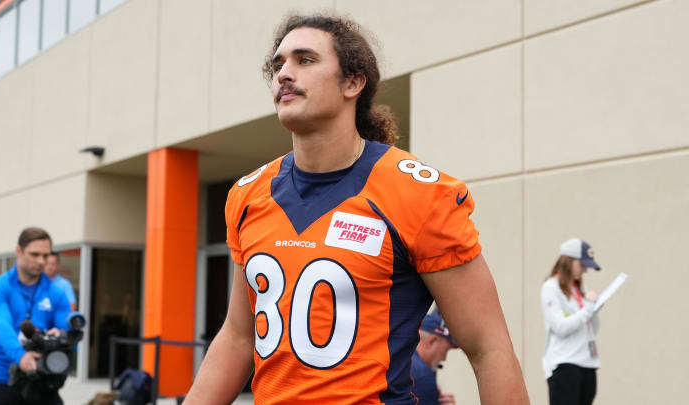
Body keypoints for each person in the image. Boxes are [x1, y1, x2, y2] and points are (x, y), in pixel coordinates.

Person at [184, 13, 528, 405]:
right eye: (278, 65)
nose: (284, 74)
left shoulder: (417, 193)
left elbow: (488, 347)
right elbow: (238, 336)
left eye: (305, 60)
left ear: (353, 82)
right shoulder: (248, 194)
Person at [0, 227, 71, 405]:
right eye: (34, 254)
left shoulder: (56, 293)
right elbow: (2, 326)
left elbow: (64, 327)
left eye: (45, 255)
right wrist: (21, 357)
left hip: (40, 379)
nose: (41, 261)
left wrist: (61, 334)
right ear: (18, 251)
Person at [541, 238, 601, 405]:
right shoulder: (550, 288)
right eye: (581, 265)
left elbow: (592, 329)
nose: (584, 271)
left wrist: (594, 310)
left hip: (587, 363)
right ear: (568, 261)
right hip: (565, 365)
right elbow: (560, 327)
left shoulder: (580, 289)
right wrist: (588, 309)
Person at [411, 313, 458, 405]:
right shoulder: (423, 376)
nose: (444, 359)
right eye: (446, 350)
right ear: (432, 342)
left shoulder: (397, 359)